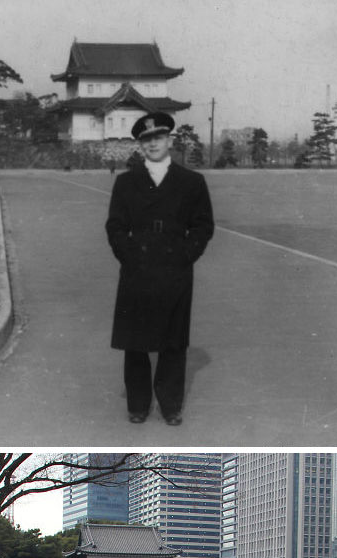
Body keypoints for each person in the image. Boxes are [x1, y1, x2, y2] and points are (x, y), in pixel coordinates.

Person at [105, 112, 215, 425]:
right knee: (135, 341)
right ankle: (138, 405)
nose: (153, 144)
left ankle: (170, 405)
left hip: (174, 268)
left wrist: (186, 255)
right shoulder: (126, 182)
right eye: (146, 140)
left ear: (169, 140)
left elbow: (203, 225)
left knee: (173, 340)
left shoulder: (192, 182)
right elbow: (115, 226)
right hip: (137, 268)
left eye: (159, 137)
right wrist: (128, 255)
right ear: (140, 145)